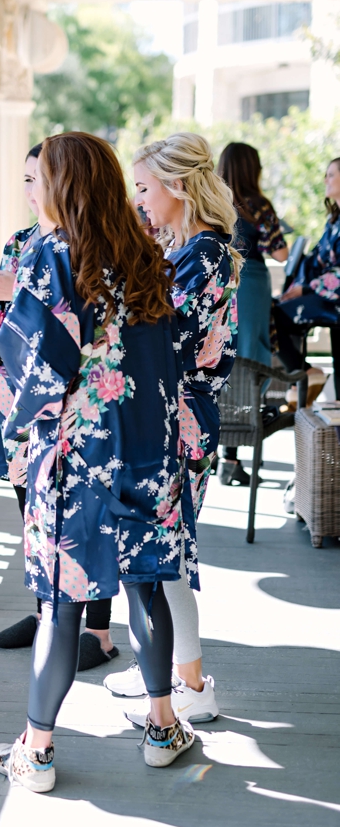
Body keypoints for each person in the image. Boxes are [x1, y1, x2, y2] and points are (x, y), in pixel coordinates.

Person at [0, 132, 195, 793]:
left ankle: (37, 751)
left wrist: (14, 427)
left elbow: (38, 368)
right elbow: (174, 359)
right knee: (146, 587)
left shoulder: (53, 255)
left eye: (41, 178)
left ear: (63, 185)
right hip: (146, 454)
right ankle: (163, 727)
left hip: (78, 459)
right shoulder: (148, 256)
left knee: (61, 604)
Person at [0, 146, 120, 671]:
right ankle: (46, 609)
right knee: (31, 508)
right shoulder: (20, 242)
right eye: (27, 178)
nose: (32, 190)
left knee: (85, 513)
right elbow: (2, 327)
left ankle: (96, 630)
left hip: (71, 397)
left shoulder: (86, 246)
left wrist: (20, 292)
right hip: (19, 394)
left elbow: (77, 321)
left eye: (40, 179)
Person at [104, 133, 239, 727]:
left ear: (177, 186)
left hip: (178, 421)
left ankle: (190, 684)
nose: (137, 202)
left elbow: (167, 341)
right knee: (169, 552)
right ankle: (177, 672)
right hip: (180, 416)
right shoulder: (194, 247)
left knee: (168, 554)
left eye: (143, 188)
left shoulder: (203, 255)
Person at [216, 142, 288, 486]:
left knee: (222, 355)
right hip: (253, 283)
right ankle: (232, 455)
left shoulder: (215, 201)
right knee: (251, 357)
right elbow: (281, 253)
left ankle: (218, 451)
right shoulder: (259, 206)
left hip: (221, 279)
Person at [273, 157, 340, 376]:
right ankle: (303, 376)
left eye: (331, 175)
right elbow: (317, 259)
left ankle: (303, 375)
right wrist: (298, 285)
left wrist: (307, 289)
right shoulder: (333, 221)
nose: (326, 180)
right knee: (275, 310)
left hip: (331, 295)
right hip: (326, 294)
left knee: (275, 316)